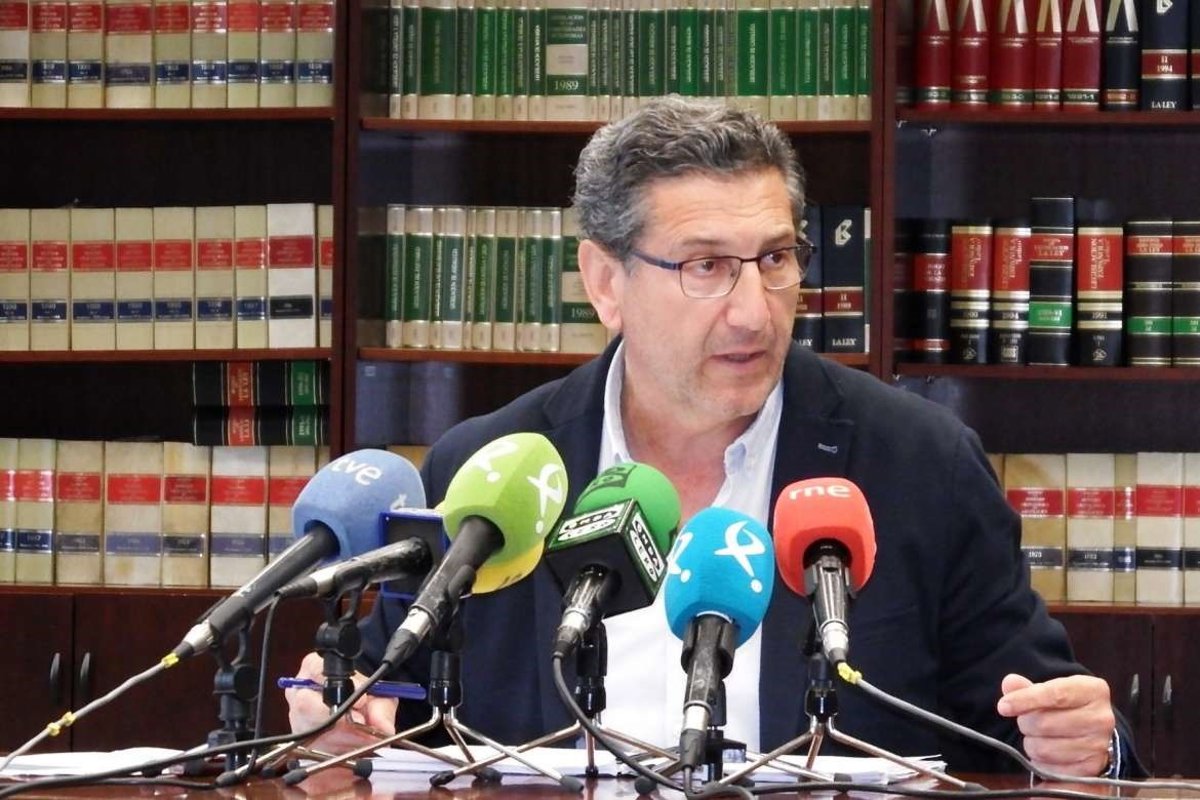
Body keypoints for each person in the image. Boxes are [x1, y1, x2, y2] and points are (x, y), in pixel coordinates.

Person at [287, 95, 1140, 777]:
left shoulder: (920, 465)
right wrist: (342, 725)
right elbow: (388, 711)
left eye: (775, 260)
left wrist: (1084, 746)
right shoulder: (489, 471)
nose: (753, 310)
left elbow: (1035, 720)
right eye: (706, 266)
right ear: (605, 281)